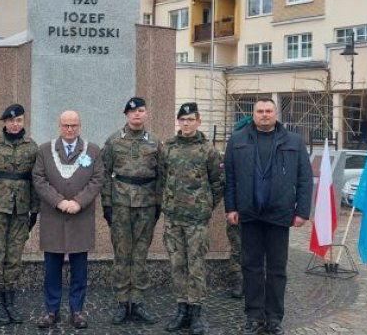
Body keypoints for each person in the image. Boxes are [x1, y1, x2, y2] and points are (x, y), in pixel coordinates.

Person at [224, 98, 312, 335]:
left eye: (268, 111)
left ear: (276, 114)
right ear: (253, 114)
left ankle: (274, 318)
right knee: (251, 267)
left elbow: (305, 178)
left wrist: (302, 211)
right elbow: (230, 178)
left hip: (279, 214)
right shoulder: (237, 140)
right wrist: (230, 208)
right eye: (260, 111)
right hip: (249, 214)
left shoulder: (293, 141)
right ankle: (253, 317)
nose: (264, 115)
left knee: (277, 269)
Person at [32, 111, 105, 329]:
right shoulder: (45, 150)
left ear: (80, 126)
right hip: (54, 216)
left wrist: (78, 202)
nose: (70, 129)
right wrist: (59, 202)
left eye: (74, 125)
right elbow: (39, 179)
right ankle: (51, 310)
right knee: (52, 267)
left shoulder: (92, 150)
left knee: (79, 268)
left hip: (80, 217)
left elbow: (97, 178)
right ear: (59, 126)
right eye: (66, 125)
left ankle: (78, 311)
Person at [161, 103, 224, 335]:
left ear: (198, 121)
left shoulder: (208, 150)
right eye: (182, 120)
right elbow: (161, 179)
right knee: (177, 264)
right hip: (173, 219)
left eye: (190, 119)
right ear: (178, 122)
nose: (186, 124)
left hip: (197, 220)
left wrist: (205, 206)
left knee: (196, 265)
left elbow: (217, 183)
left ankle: (196, 311)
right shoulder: (167, 148)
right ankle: (181, 309)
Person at [0, 103, 39, 325]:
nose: (15, 124)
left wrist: (35, 211)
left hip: (20, 212)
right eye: (11, 120)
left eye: (19, 120)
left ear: (23, 122)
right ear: (4, 122)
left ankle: (10, 303)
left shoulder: (32, 147)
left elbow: (36, 181)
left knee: (14, 259)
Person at [101, 96, 162, 325]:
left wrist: (158, 203)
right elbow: (105, 174)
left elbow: (161, 176)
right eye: (133, 111)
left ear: (146, 114)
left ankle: (137, 302)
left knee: (140, 254)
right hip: (120, 205)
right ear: (126, 114)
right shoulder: (114, 141)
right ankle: (121, 302)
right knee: (122, 254)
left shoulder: (155, 142)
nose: (137, 115)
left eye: (142, 111)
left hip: (146, 205)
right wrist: (106, 204)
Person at [225, 115, 253, 300]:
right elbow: (229, 180)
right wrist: (231, 208)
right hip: (238, 209)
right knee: (237, 248)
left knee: (258, 249)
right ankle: (238, 283)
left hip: (259, 209)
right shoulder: (234, 147)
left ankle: (255, 283)